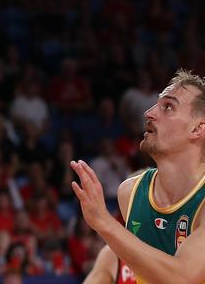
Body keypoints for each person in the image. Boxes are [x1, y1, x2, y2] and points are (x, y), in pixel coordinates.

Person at [72, 69, 205, 283]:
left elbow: (183, 278)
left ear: (197, 128)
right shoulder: (130, 192)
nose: (149, 113)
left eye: (168, 107)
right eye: (156, 104)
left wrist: (103, 222)